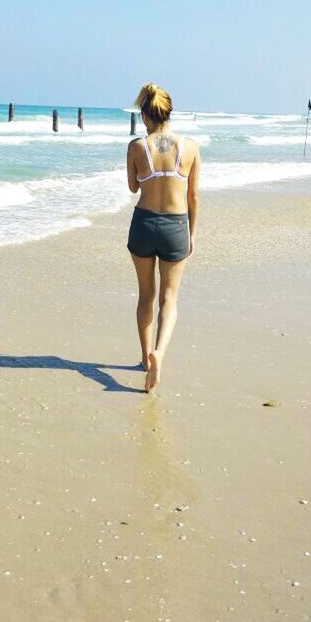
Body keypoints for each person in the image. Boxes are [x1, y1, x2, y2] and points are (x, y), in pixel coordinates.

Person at [125, 83, 200, 393]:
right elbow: (193, 196)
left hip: (143, 223)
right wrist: (191, 234)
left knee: (146, 295)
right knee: (169, 299)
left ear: (145, 116)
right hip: (176, 226)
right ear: (169, 113)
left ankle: (144, 357)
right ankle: (160, 354)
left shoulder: (137, 146)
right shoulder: (191, 147)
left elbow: (133, 187)